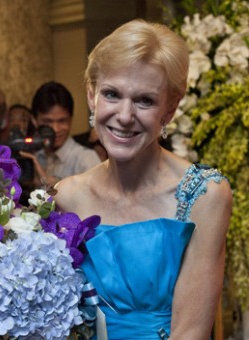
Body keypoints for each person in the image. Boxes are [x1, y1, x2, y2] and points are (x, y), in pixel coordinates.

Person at [55, 19, 232, 338]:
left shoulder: (204, 195)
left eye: (145, 100)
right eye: (112, 94)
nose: (124, 116)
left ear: (170, 110)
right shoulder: (67, 196)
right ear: (91, 95)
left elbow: (190, 332)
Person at [20, 81, 101, 187]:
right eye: (47, 122)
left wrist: (57, 187)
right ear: (34, 121)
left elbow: (99, 202)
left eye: (62, 121)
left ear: (71, 119)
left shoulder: (86, 159)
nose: (55, 129)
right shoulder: (31, 158)